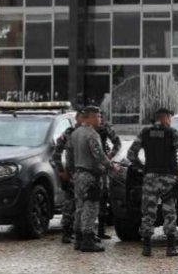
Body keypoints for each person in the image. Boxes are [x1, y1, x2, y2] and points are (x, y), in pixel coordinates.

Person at [127, 108, 178, 257]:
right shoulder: (172, 133)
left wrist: (142, 167)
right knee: (169, 211)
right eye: (170, 118)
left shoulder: (145, 132)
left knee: (148, 212)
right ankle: (170, 247)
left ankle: (147, 247)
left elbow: (130, 154)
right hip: (168, 177)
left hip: (150, 177)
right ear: (166, 118)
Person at [65, 106, 110, 253]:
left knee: (79, 207)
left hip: (78, 175)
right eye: (98, 116)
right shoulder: (92, 134)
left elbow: (69, 156)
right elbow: (99, 155)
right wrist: (109, 166)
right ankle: (88, 239)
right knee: (90, 208)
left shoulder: (75, 133)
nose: (100, 119)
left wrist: (72, 172)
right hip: (91, 175)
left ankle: (78, 238)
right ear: (90, 118)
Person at [53, 109, 83, 244]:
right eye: (82, 117)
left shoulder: (92, 133)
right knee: (69, 205)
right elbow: (56, 153)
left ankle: (82, 233)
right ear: (77, 118)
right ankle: (66, 232)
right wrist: (61, 171)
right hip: (71, 174)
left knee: (83, 205)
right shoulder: (68, 133)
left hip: (85, 174)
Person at [95, 120, 121, 240]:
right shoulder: (82, 128)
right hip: (88, 166)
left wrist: (109, 157)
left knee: (103, 196)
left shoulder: (104, 126)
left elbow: (117, 143)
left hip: (102, 167)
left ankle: (100, 229)